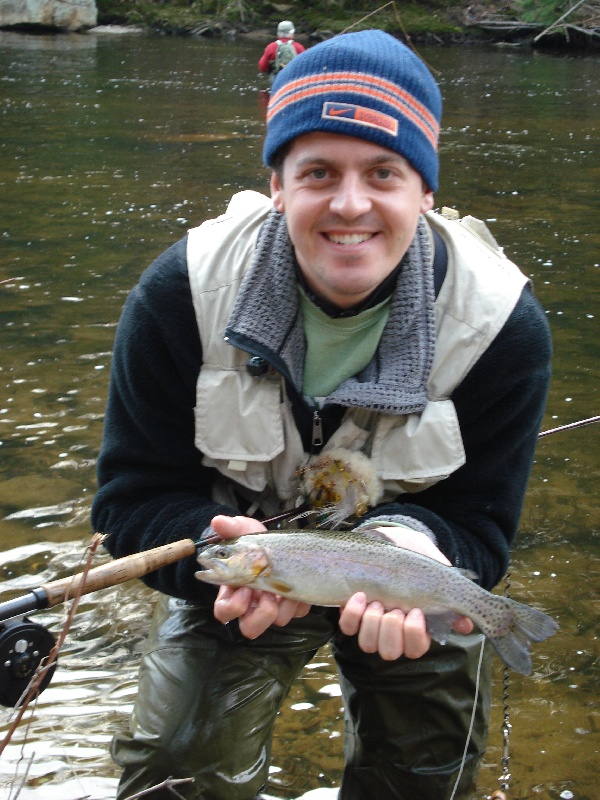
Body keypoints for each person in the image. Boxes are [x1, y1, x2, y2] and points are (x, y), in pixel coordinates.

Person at [91, 30, 552, 800]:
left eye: (383, 172)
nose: (349, 203)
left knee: (425, 777)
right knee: (173, 771)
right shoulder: (181, 296)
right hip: (241, 581)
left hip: (411, 582)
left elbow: (481, 529)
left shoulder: (500, 325)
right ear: (277, 186)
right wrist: (209, 549)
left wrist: (421, 552)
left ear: (425, 190)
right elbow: (129, 500)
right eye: (317, 172)